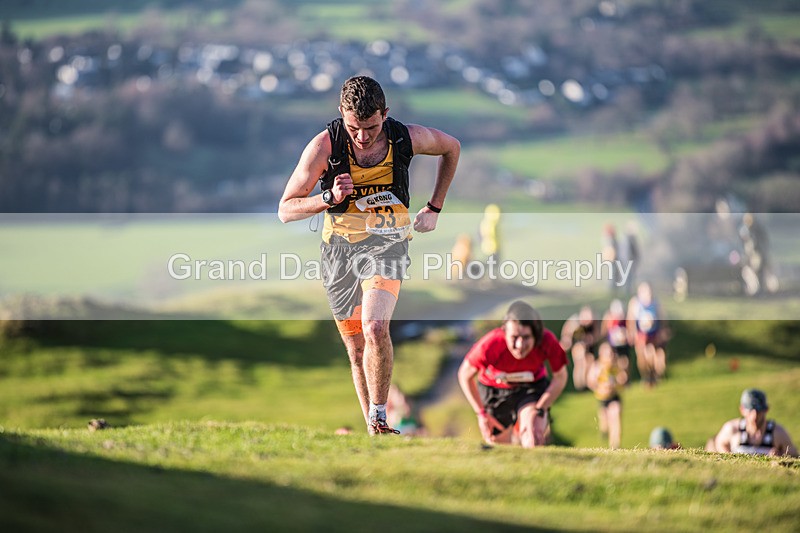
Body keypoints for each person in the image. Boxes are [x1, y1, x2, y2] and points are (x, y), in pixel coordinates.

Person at [278, 76, 460, 435]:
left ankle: (380, 419)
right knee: (356, 348)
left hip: (388, 243)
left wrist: (435, 206)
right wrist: (328, 198)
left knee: (375, 327)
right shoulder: (324, 146)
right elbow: (286, 209)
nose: (362, 137)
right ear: (341, 114)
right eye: (354, 128)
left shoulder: (405, 137)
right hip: (339, 250)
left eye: (371, 128)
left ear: (385, 114)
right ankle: (373, 431)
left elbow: (451, 147)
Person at [457, 301, 568, 448]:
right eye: (514, 337)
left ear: (536, 335)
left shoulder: (547, 341)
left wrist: (541, 409)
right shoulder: (490, 345)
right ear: (505, 333)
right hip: (495, 390)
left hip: (530, 387)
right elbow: (464, 374)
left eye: (526, 337)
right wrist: (481, 414)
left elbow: (560, 377)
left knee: (533, 434)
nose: (520, 345)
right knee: (499, 447)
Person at [705, 389, 797, 457]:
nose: (754, 416)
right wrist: (728, 456)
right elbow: (718, 443)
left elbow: (794, 455)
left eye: (759, 411)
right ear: (742, 410)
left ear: (766, 410)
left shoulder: (777, 433)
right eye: (750, 410)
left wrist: (780, 456)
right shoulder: (733, 429)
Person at [627, 282, 668, 386]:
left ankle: (654, 375)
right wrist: (632, 332)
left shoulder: (656, 303)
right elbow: (630, 319)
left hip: (653, 333)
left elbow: (662, 319)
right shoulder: (635, 303)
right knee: (642, 356)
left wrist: (662, 331)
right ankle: (646, 376)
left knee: (654, 354)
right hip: (641, 334)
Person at [587, 343, 627, 449]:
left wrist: (620, 380)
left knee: (616, 415)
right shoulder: (597, 366)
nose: (610, 356)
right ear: (601, 355)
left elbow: (623, 378)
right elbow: (590, 381)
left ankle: (615, 445)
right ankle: (604, 431)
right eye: (607, 354)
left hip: (614, 396)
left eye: (611, 354)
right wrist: (599, 386)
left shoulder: (617, 365)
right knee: (605, 425)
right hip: (603, 399)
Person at [559, 305, 599, 391]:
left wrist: (590, 340)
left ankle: (586, 383)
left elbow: (596, 334)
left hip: (588, 345)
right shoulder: (574, 322)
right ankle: (580, 385)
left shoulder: (593, 322)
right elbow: (566, 334)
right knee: (580, 363)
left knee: (590, 361)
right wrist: (567, 343)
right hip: (577, 344)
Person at [600, 299, 630, 373]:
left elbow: (630, 333)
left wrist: (625, 335)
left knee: (624, 361)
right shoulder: (608, 320)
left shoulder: (626, 321)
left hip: (623, 346)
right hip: (612, 345)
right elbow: (603, 333)